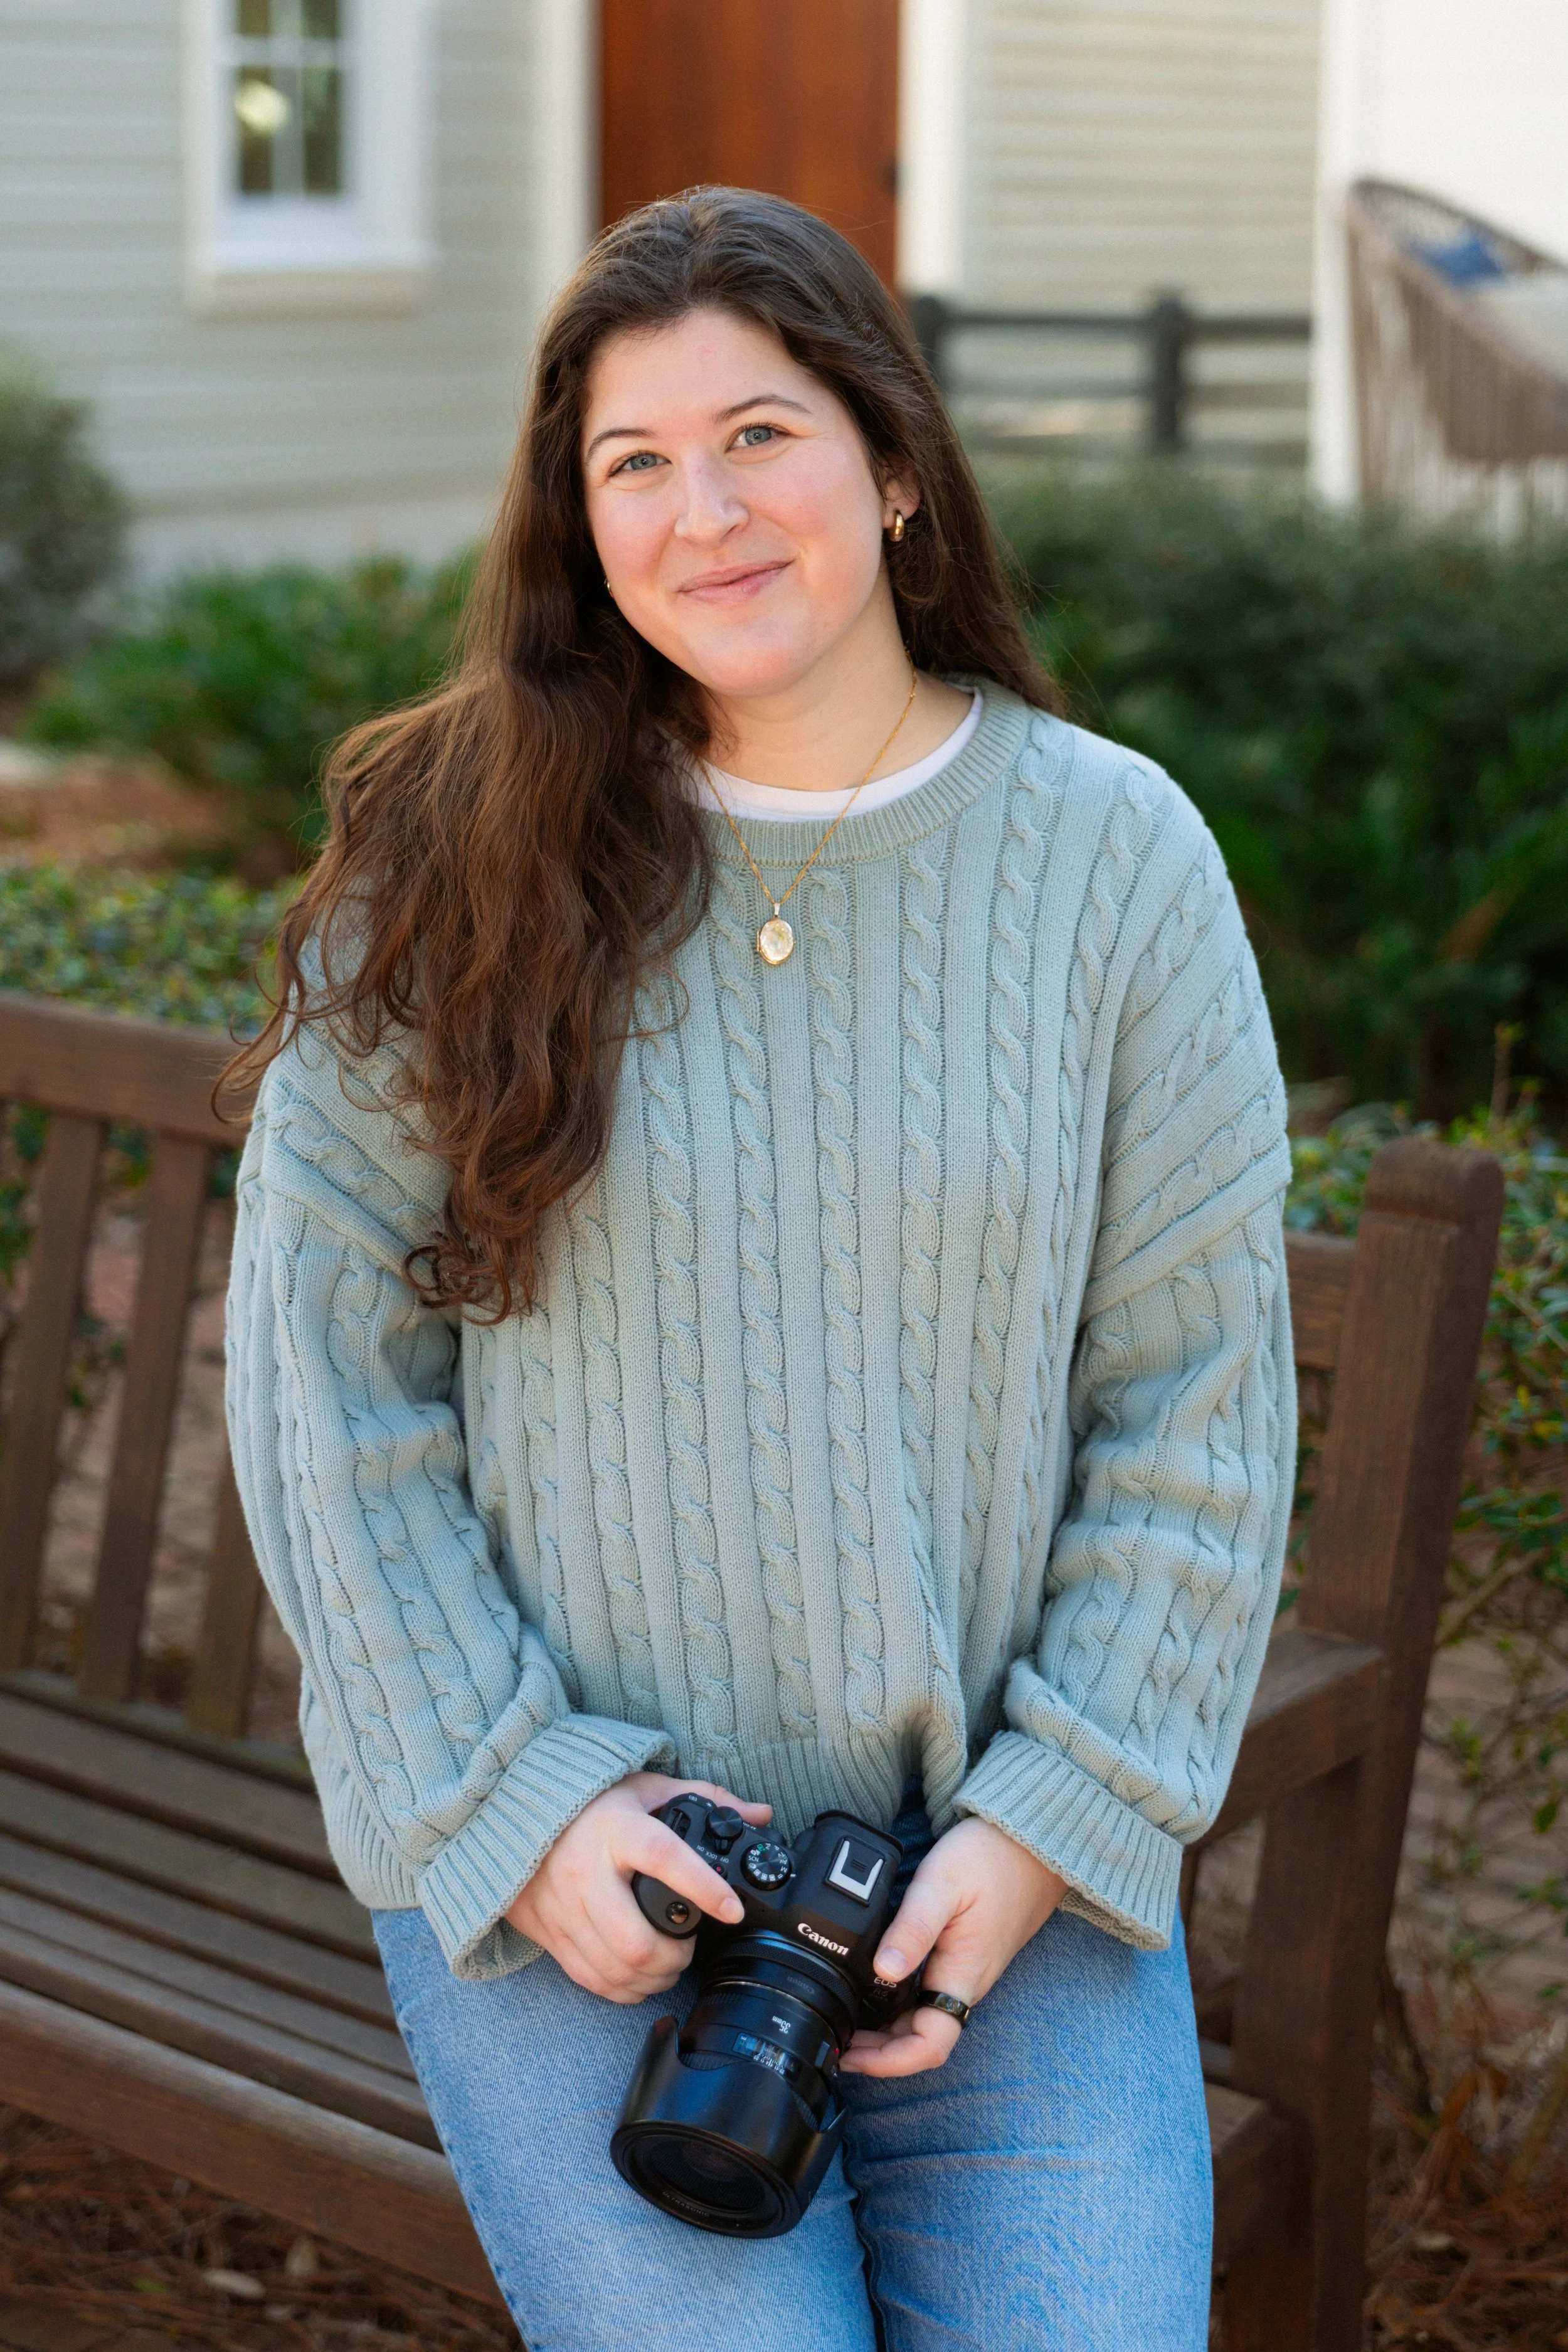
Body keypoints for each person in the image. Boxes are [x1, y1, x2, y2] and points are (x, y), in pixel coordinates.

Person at [226, 186, 1295, 2351]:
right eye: (632, 464)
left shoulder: (1114, 859)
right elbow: (327, 1396)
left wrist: (1051, 1820)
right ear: (574, 519)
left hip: (999, 1872)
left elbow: (1190, 1396)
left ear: (892, 467)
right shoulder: (460, 858)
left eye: (759, 437)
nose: (699, 511)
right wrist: (522, 1809)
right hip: (574, 1868)